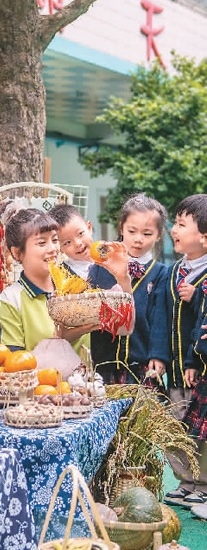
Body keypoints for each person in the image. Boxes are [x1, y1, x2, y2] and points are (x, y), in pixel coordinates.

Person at [0, 206, 104, 353]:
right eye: (42, 243)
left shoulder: (75, 285)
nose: (53, 249)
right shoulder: (11, 299)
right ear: (17, 252)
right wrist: (60, 339)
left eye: (55, 240)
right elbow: (15, 362)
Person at [50, 202, 137, 377]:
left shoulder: (112, 266)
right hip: (74, 369)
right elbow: (58, 335)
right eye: (67, 242)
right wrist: (84, 328)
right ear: (59, 247)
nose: (78, 244)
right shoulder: (59, 276)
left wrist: (123, 279)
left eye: (80, 234)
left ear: (89, 227)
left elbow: (127, 327)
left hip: (110, 363)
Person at [92, 194, 169, 385]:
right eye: (132, 231)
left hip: (142, 364)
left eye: (147, 234)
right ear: (121, 228)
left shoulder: (161, 273)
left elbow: (160, 319)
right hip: (103, 363)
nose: (138, 239)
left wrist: (158, 354)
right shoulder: (100, 267)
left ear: (159, 235)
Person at [161, 193, 207, 508]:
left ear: (203, 236)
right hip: (176, 370)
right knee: (176, 426)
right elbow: (161, 317)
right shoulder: (174, 271)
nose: (173, 230)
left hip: (198, 369)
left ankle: (202, 482)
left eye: (181, 224)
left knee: (200, 433)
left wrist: (198, 297)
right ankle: (185, 481)